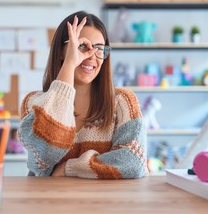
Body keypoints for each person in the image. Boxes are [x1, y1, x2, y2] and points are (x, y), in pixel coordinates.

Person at [18, 11, 147, 179]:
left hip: (105, 202)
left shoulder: (123, 102)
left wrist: (68, 169)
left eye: (99, 48)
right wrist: (70, 63)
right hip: (49, 200)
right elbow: (45, 156)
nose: (91, 56)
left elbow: (133, 162)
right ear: (63, 50)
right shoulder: (34, 102)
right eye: (82, 46)